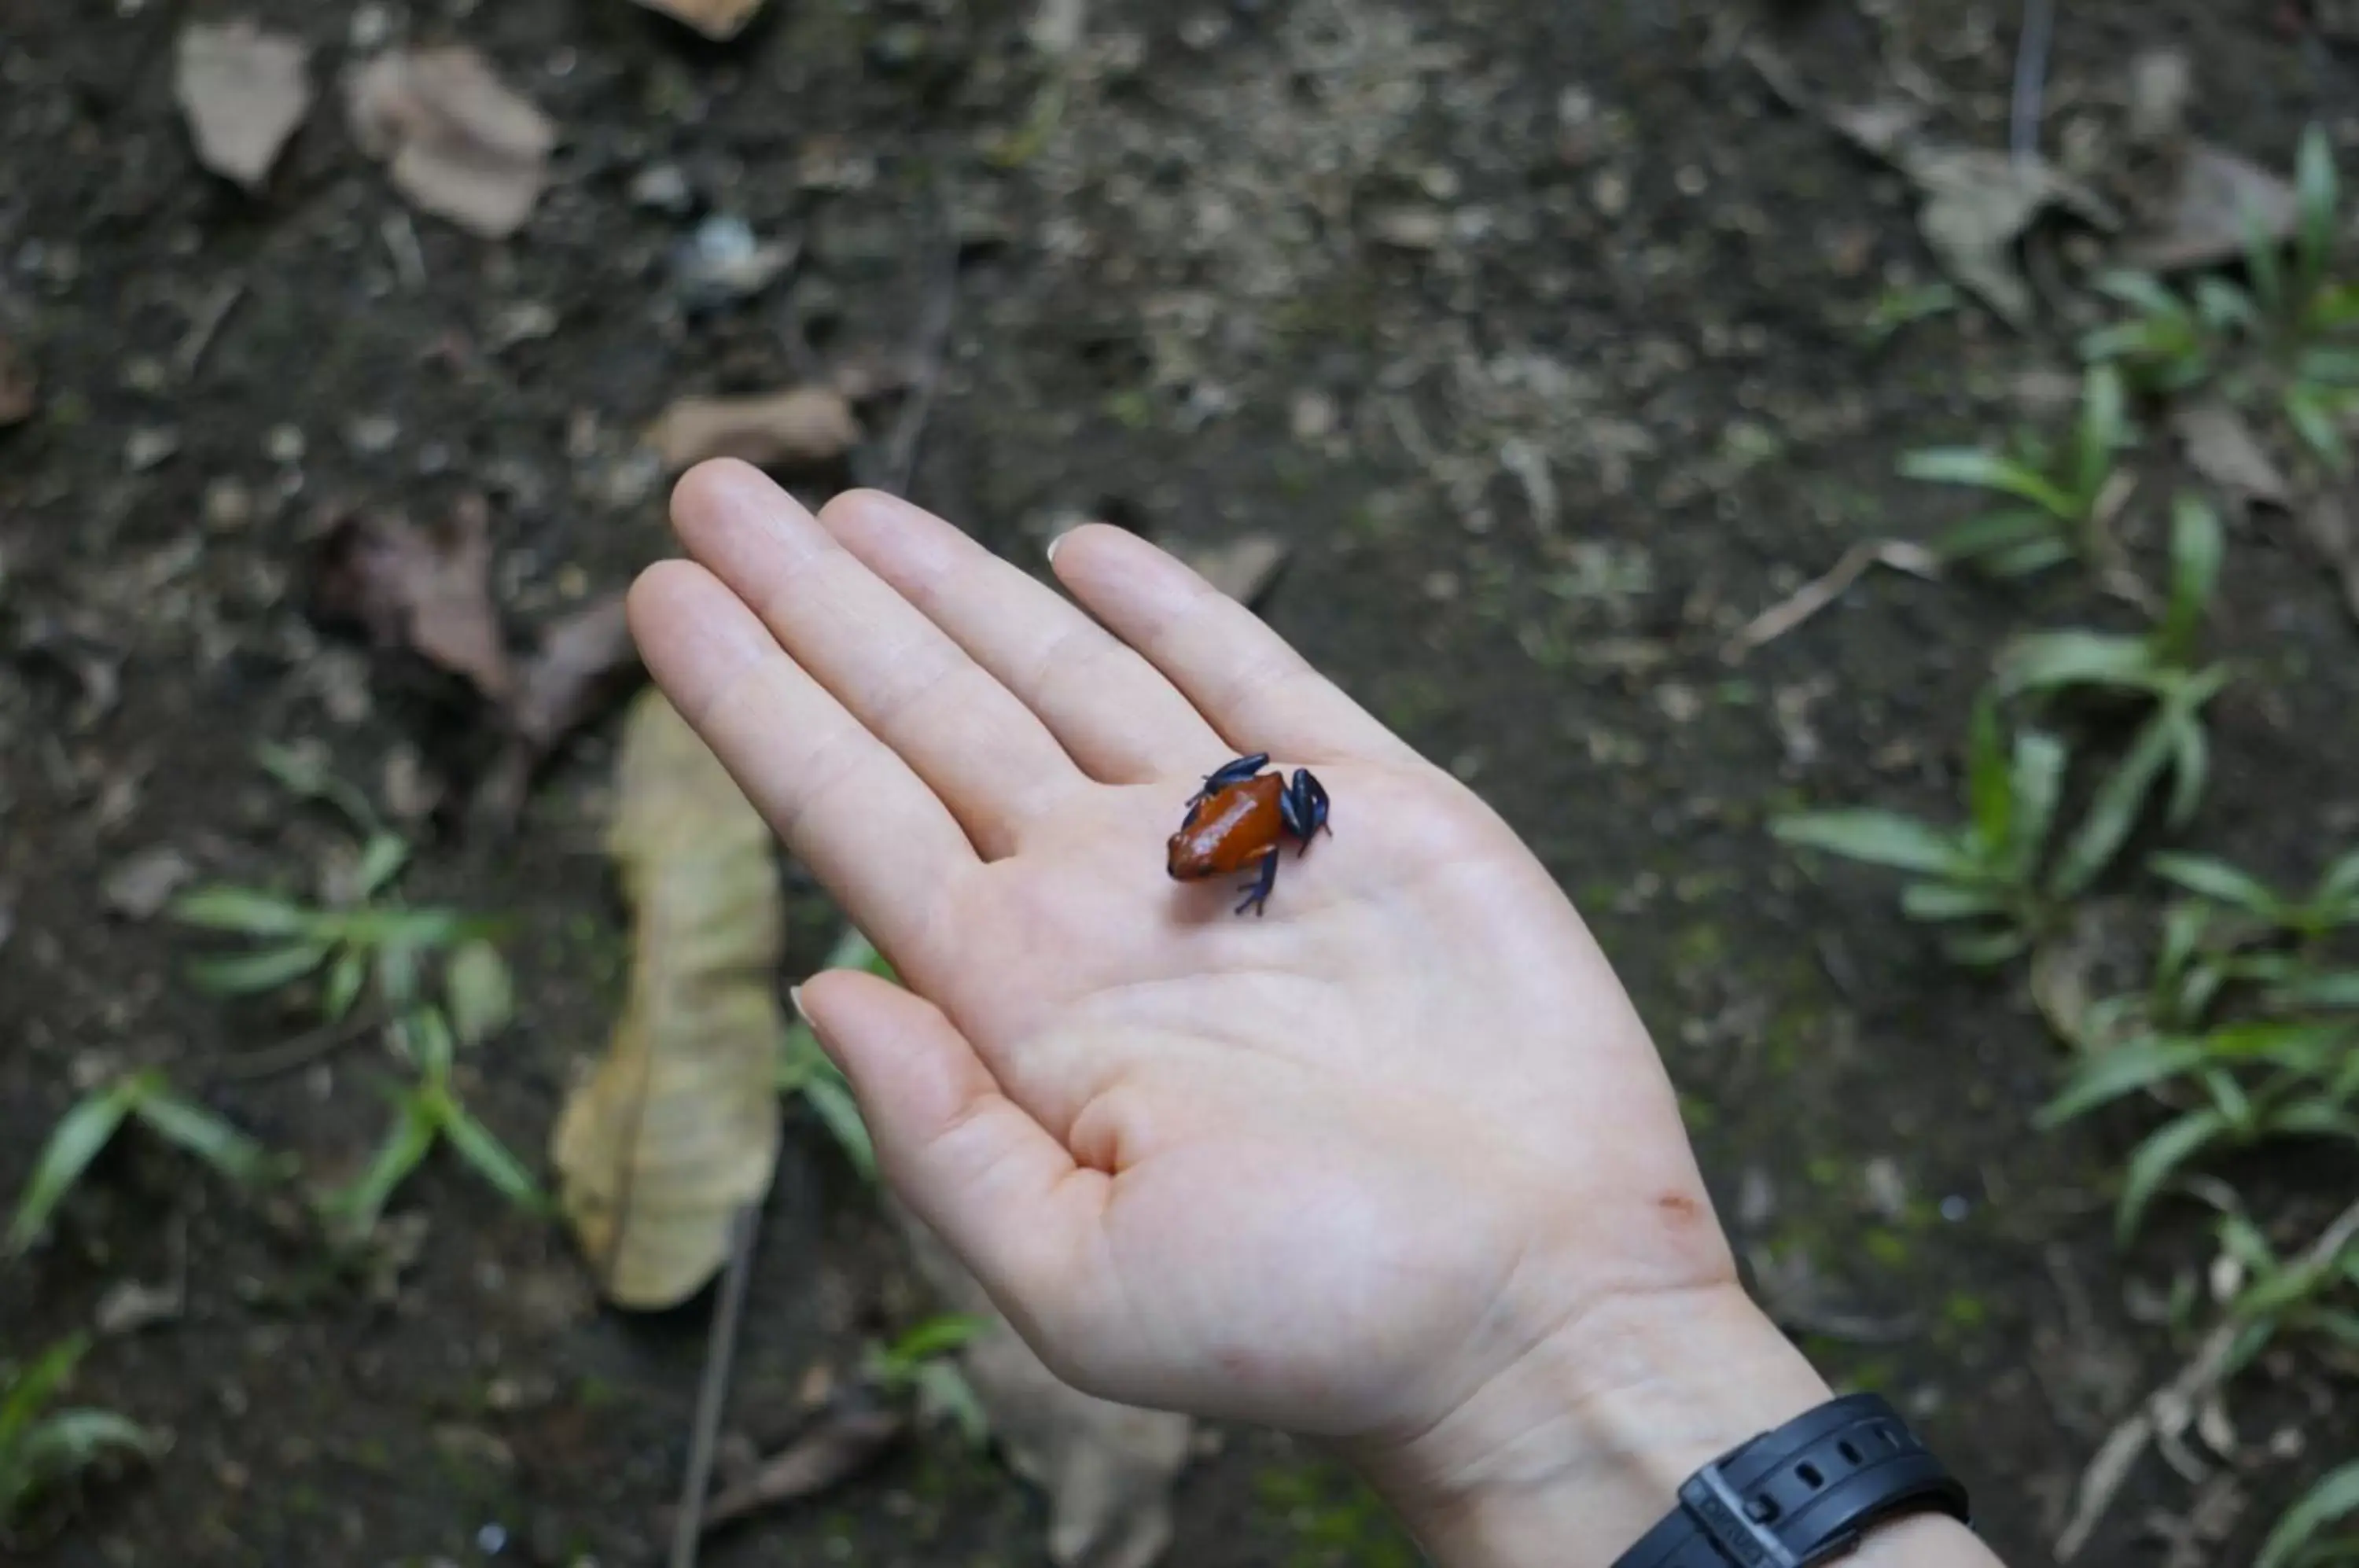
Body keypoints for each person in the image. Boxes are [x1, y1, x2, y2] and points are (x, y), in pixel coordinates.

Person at [625, 461, 2008, 1568]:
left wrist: (1560, 1351)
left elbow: (1259, 816)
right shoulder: (1224, 828)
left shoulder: (1257, 827)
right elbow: (1228, 814)